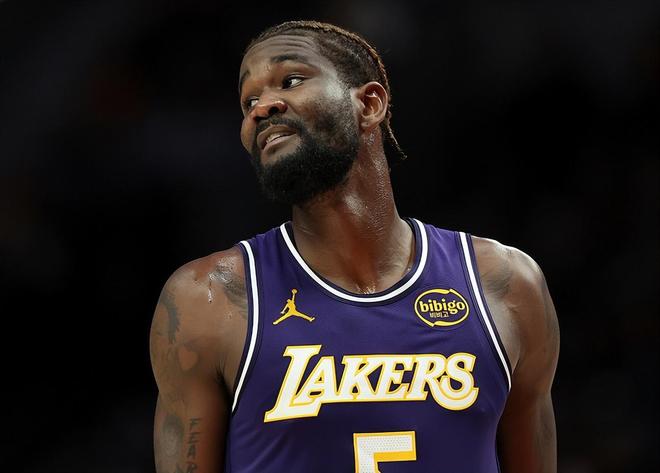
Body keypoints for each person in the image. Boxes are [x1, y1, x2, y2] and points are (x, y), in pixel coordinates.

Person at [149, 20, 560, 473]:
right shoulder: (208, 299)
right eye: (248, 101)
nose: (261, 108)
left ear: (369, 103)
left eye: (291, 80)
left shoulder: (506, 284)